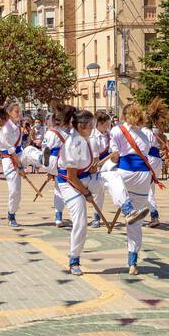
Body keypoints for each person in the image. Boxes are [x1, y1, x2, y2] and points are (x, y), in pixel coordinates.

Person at [107, 102, 166, 274]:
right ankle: (132, 261)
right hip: (143, 176)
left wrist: (112, 159)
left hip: (126, 171)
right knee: (136, 224)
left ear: (124, 116)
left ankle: (125, 207)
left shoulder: (117, 130)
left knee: (106, 175)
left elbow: (115, 157)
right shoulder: (145, 133)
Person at [57, 109, 97, 276]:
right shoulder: (73, 143)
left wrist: (92, 167)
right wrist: (86, 194)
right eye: (91, 125)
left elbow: (83, 166)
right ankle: (74, 260)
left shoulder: (83, 138)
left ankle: (127, 207)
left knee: (111, 178)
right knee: (80, 220)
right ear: (81, 126)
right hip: (68, 183)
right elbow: (72, 177)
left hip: (83, 178)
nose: (93, 128)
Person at [0, 104, 25, 227]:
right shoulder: (6, 129)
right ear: (10, 113)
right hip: (9, 160)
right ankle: (11, 214)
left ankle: (43, 161)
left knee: (30, 152)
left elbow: (19, 148)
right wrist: (20, 167)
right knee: (15, 192)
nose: (19, 113)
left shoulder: (17, 126)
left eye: (19, 111)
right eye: (17, 111)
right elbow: (11, 152)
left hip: (19, 155)